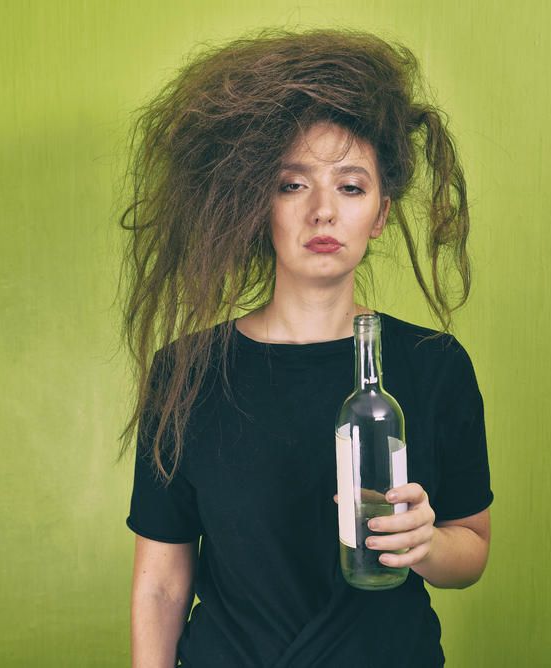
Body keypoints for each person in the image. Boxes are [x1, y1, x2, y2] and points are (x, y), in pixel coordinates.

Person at [119, 28, 493, 668]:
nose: (323, 211)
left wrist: (425, 542)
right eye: (293, 184)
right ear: (254, 203)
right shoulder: (186, 372)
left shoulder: (434, 364)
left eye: (351, 186)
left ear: (379, 213)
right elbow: (160, 583)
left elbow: (473, 550)